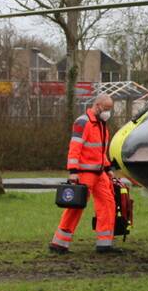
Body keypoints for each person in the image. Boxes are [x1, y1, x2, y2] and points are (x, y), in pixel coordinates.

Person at [49, 94, 123, 254]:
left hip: (99, 173)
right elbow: (75, 148)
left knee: (108, 205)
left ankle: (104, 244)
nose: (108, 112)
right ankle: (59, 243)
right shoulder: (83, 122)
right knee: (75, 207)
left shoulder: (101, 124)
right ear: (97, 105)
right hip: (84, 174)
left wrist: (108, 169)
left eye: (110, 109)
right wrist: (73, 172)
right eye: (107, 108)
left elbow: (100, 151)